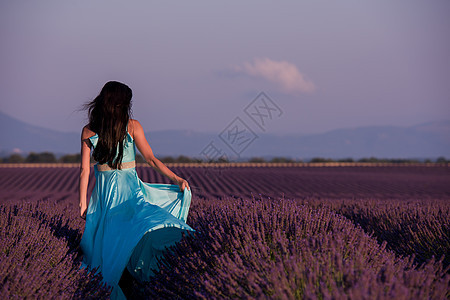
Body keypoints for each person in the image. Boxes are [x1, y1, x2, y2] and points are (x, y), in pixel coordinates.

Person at [78, 81, 194, 299]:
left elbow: (84, 171)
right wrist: (176, 178)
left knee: (112, 242)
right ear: (121, 103)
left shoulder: (89, 130)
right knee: (142, 224)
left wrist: (83, 203)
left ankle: (124, 281)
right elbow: (150, 159)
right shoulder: (132, 126)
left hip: (106, 196)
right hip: (126, 193)